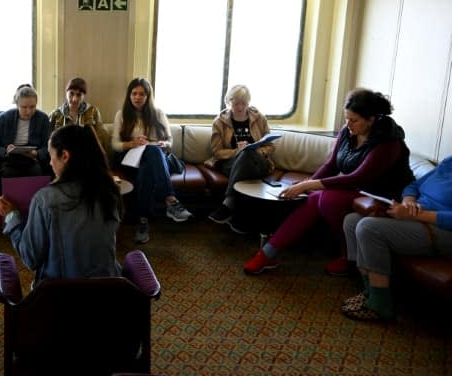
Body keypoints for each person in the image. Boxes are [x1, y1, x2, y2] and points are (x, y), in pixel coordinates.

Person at [244, 88, 414, 276]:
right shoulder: (347, 131)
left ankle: (348, 256)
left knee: (328, 199)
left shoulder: (388, 143)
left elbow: (358, 177)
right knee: (314, 199)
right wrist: (307, 183)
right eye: (346, 118)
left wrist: (307, 184)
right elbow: (331, 164)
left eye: (354, 120)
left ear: (371, 119)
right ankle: (267, 253)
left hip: (383, 195)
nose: (348, 124)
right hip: (358, 189)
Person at [0, 124, 123, 283]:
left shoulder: (45, 199)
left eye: (51, 155)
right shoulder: (111, 192)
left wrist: (11, 216)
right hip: (109, 291)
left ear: (65, 156)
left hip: (60, 296)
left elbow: (30, 258)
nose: (50, 163)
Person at [340, 156, 452, 321]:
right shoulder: (449, 162)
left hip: (442, 230)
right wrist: (408, 201)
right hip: (416, 216)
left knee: (368, 227)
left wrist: (417, 215)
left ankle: (380, 305)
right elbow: (414, 185)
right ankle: (369, 291)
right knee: (352, 221)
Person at [112, 77, 191, 244]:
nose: (137, 97)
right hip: (130, 160)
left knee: (149, 162)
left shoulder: (158, 113)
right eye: (134, 94)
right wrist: (132, 143)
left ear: (148, 97)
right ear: (129, 95)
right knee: (151, 155)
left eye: (142, 94)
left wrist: (164, 143)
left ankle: (142, 221)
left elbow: (170, 140)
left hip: (154, 160)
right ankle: (170, 200)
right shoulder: (122, 114)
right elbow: (115, 144)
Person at [206, 85, 276, 234]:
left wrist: (255, 150)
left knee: (248, 154)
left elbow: (270, 146)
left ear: (248, 103)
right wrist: (237, 151)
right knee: (244, 156)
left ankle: (228, 204)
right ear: (228, 102)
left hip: (259, 162)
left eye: (244, 103)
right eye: (236, 103)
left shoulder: (259, 118)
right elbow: (217, 152)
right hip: (230, 163)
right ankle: (241, 221)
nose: (240, 107)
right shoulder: (219, 121)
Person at [0, 84, 51, 177]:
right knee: (9, 173)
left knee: (36, 172)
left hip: (32, 159)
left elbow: (48, 145)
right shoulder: (5, 117)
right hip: (9, 159)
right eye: (24, 107)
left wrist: (37, 153)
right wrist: (5, 151)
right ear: (17, 105)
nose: (28, 111)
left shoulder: (43, 118)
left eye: (32, 107)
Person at [48, 77, 107, 149]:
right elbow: (49, 139)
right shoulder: (56, 114)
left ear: (84, 96)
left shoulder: (93, 112)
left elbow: (101, 136)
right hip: (63, 152)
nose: (74, 99)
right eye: (71, 94)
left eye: (79, 95)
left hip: (86, 151)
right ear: (66, 93)